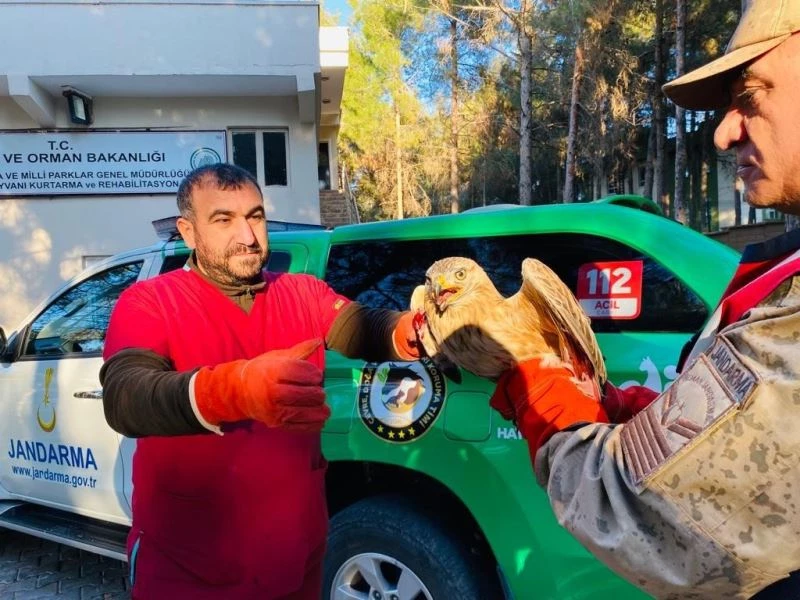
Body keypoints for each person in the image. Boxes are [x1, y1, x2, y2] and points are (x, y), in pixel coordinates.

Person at [488, 1, 800, 598]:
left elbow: (655, 517)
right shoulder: (780, 263)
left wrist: (543, 389)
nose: (723, 130)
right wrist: (634, 412)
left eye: (751, 94)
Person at [99, 163, 421, 599]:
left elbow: (363, 326)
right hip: (187, 570)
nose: (248, 236)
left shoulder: (302, 293)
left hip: (296, 561)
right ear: (188, 231)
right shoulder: (149, 302)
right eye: (223, 219)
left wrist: (417, 329)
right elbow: (125, 395)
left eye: (255, 216)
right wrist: (235, 391)